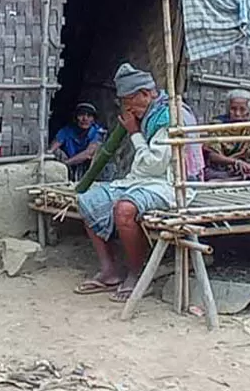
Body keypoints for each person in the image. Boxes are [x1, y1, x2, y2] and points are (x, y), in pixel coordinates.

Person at [73, 63, 201, 301]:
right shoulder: (150, 113)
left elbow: (154, 164)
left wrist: (134, 133)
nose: (129, 110)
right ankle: (110, 271)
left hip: (172, 184)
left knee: (125, 209)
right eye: (125, 104)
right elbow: (146, 168)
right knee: (88, 200)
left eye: (131, 103)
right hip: (145, 180)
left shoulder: (168, 116)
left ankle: (136, 272)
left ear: (146, 93)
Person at [203, 89, 250, 180]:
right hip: (220, 168)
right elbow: (212, 155)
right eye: (233, 109)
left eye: (242, 109)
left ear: (248, 111)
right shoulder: (217, 126)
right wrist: (235, 162)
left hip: (242, 167)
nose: (237, 113)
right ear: (228, 110)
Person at [47, 102, 107, 181]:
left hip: (87, 167)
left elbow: (88, 153)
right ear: (75, 117)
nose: (85, 119)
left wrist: (66, 163)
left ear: (93, 119)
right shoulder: (67, 130)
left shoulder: (97, 132)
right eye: (81, 115)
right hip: (68, 165)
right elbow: (51, 149)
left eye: (89, 116)